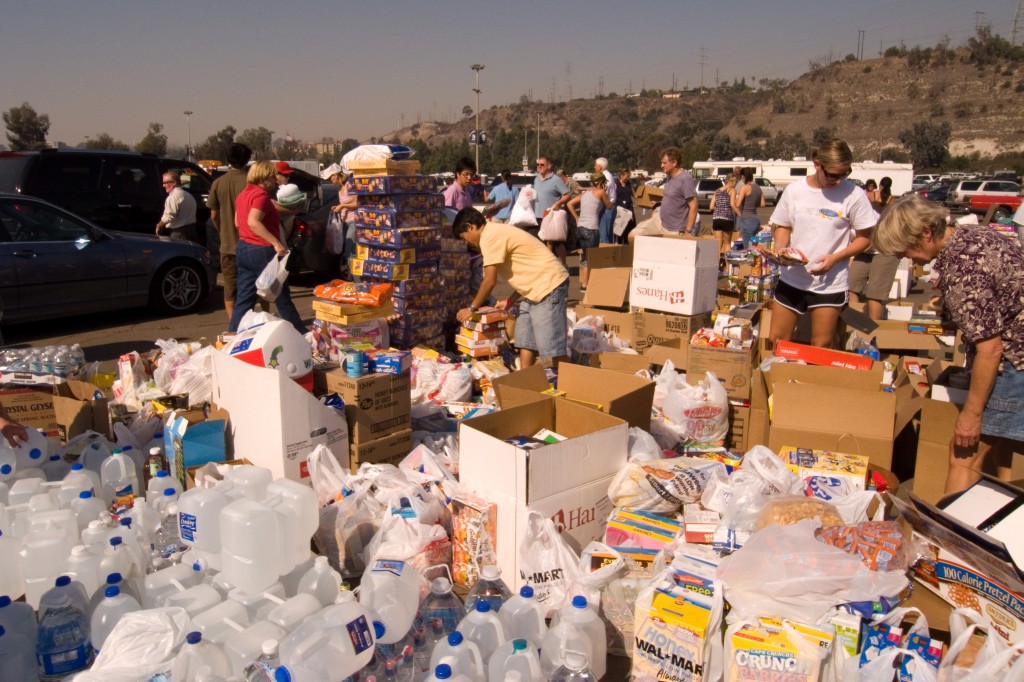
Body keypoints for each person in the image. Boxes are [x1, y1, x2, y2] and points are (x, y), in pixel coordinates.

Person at [874, 194, 1024, 494]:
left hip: (1013, 362)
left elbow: (990, 349)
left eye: (907, 249)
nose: (908, 259)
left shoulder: (961, 271)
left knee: (963, 455)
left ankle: (948, 535)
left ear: (926, 234)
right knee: (1001, 451)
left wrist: (971, 415)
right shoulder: (975, 233)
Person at [766, 139, 877, 348]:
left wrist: (836, 258)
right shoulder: (795, 190)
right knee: (777, 340)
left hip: (830, 283)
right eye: (833, 175)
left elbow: (865, 238)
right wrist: (781, 249)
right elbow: (783, 225)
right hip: (793, 278)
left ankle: (812, 380)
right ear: (817, 163)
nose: (837, 180)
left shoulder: (854, 195)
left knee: (821, 345)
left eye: (845, 174)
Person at [453, 208, 570, 370]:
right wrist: (509, 301)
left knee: (552, 349)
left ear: (470, 227)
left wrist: (472, 308)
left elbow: (489, 281)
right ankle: (524, 379)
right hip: (534, 289)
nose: (467, 243)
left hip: (549, 285)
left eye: (464, 238)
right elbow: (526, 273)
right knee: (525, 341)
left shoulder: (489, 236)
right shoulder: (494, 232)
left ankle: (575, 383)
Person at [227, 161, 307, 335]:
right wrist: (276, 242)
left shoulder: (243, 195)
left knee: (245, 297)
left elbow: (237, 222)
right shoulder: (261, 196)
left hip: (243, 248)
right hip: (262, 250)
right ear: (263, 178)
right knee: (281, 295)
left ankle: (232, 334)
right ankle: (301, 333)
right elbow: (253, 221)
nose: (276, 181)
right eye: (272, 177)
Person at [207, 143, 253, 319]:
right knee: (254, 286)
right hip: (251, 244)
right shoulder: (251, 182)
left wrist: (223, 230)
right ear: (247, 160)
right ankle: (258, 323)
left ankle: (234, 326)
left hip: (227, 245)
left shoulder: (218, 183)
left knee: (230, 286)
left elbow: (213, 214)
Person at [849, 176, 900, 320]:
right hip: (865, 250)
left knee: (875, 294)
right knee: (852, 285)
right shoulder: (853, 205)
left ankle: (872, 332)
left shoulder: (873, 202)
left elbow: (873, 232)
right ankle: (855, 324)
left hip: (885, 249)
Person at [629, 147, 697, 242]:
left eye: (664, 163)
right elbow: (675, 198)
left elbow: (693, 206)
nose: (661, 165)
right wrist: (659, 203)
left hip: (675, 228)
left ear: (674, 163)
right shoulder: (669, 177)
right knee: (633, 236)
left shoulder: (685, 179)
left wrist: (688, 231)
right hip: (660, 220)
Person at [566, 172, 612, 291]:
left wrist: (577, 217)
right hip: (592, 228)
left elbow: (569, 203)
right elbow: (609, 206)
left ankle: (584, 283)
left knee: (585, 257)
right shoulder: (601, 192)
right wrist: (605, 192)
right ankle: (586, 284)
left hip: (581, 228)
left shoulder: (585, 194)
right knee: (590, 258)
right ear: (602, 183)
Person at [322, 163, 358, 277]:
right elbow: (345, 203)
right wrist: (338, 206)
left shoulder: (349, 185)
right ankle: (353, 279)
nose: (330, 181)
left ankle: (357, 281)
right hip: (345, 222)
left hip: (354, 222)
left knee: (350, 251)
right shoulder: (339, 188)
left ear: (336, 175)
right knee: (347, 251)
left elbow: (357, 203)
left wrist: (342, 206)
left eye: (330, 178)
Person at [155, 171, 197, 242]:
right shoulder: (189, 196)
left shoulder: (173, 197)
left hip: (179, 234)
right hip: (192, 232)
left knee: (178, 252)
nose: (163, 185)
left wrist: (159, 225)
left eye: (165, 183)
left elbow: (169, 217)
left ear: (174, 182)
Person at [733, 167, 764, 247]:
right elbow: (762, 204)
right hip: (756, 219)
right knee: (754, 245)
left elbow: (737, 204)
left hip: (747, 219)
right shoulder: (758, 187)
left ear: (743, 176)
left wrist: (736, 197)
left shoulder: (744, 187)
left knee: (747, 247)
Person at [711, 174, 738, 254]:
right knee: (727, 243)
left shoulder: (717, 190)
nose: (736, 184)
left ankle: (717, 264)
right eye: (735, 182)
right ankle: (728, 266)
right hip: (727, 218)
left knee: (718, 244)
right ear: (731, 181)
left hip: (716, 218)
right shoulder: (732, 190)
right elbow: (732, 205)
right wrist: (740, 214)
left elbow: (711, 206)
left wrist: (719, 208)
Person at [595, 157, 617, 243]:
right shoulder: (608, 176)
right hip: (608, 206)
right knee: (607, 231)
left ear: (600, 167)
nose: (594, 167)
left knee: (604, 234)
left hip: (608, 207)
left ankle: (606, 252)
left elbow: (603, 192)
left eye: (595, 165)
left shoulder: (606, 177)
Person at [614, 169, 636, 244]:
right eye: (626, 177)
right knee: (620, 228)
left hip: (629, 208)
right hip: (619, 209)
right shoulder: (616, 184)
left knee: (629, 227)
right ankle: (619, 243)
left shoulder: (629, 184)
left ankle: (627, 243)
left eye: (628, 177)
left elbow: (634, 194)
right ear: (621, 175)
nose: (627, 178)